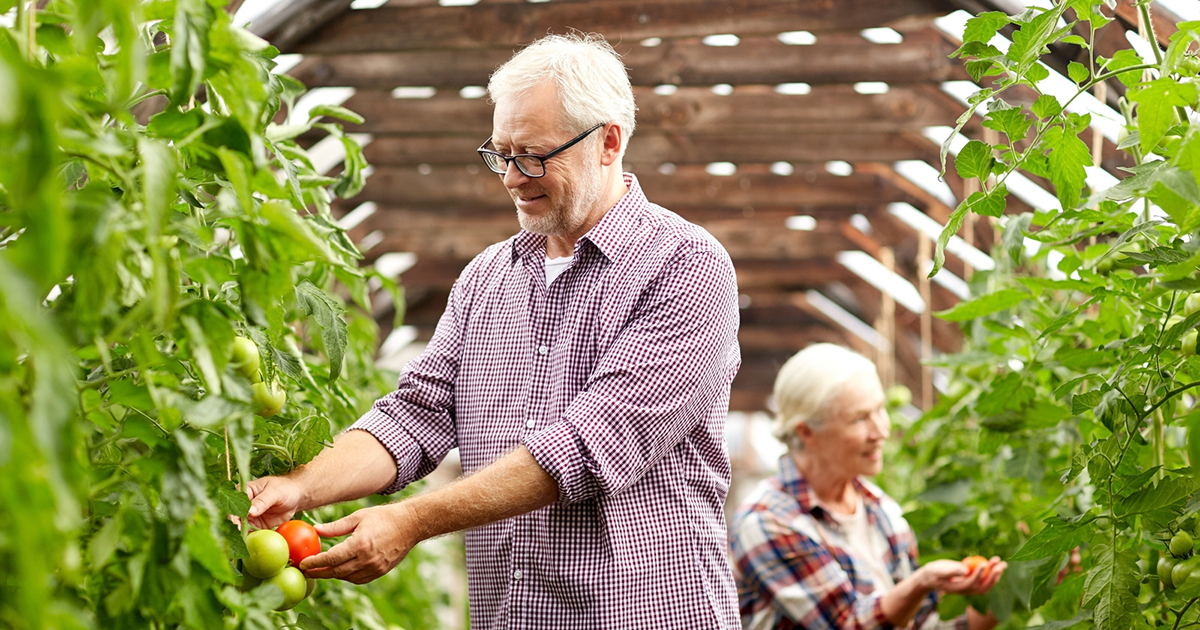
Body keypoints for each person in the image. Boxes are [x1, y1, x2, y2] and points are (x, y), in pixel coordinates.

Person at [245, 33, 743, 628]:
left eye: (532, 155)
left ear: (608, 142)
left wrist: (412, 520)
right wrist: (299, 487)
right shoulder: (487, 278)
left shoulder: (684, 264)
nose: (510, 176)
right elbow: (415, 416)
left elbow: (586, 449)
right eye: (500, 153)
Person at [729, 344, 1007, 630]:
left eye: (880, 409)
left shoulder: (881, 509)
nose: (882, 430)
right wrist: (920, 583)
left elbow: (924, 625)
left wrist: (1014, 591)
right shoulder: (767, 521)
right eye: (860, 418)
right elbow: (847, 623)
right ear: (806, 432)